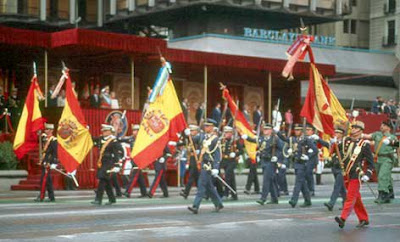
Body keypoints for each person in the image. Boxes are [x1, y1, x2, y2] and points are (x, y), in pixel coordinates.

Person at [335, 121, 374, 229]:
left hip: (356, 174)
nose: (353, 129)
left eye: (355, 127)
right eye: (352, 127)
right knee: (356, 197)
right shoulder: (346, 141)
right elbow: (338, 152)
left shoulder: (364, 144)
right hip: (346, 173)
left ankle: (343, 218)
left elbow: (371, 163)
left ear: (360, 130)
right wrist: (334, 142)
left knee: (350, 197)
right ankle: (364, 218)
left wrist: (368, 174)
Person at [187, 118, 223, 214]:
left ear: (212, 127)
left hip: (209, 165)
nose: (205, 127)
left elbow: (217, 154)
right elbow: (192, 140)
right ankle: (218, 203)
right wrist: (187, 134)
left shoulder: (215, 139)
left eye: (208, 126)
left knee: (201, 185)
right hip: (203, 163)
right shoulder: (202, 136)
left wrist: (216, 168)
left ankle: (196, 206)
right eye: (205, 126)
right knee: (209, 186)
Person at [277, 123, 318, 208]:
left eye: (298, 130)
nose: (296, 131)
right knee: (302, 183)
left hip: (303, 164)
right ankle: (307, 200)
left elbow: (315, 150)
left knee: (298, 182)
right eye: (295, 130)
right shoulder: (293, 140)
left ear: (302, 131)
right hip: (296, 163)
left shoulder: (306, 140)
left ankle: (294, 200)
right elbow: (284, 139)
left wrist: (308, 156)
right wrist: (277, 131)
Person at [242, 123, 283, 205]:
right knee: (270, 181)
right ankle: (274, 199)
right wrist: (247, 137)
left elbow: (282, 149)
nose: (265, 131)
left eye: (267, 129)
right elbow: (255, 140)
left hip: (271, 162)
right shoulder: (262, 138)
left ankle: (263, 198)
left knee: (266, 180)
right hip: (264, 161)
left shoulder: (275, 139)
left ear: (271, 130)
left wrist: (276, 157)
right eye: (264, 129)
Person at [362, 120, 397, 203]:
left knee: (382, 176)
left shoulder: (392, 137)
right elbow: (367, 136)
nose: (381, 126)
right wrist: (358, 132)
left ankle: (383, 194)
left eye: (384, 125)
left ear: (388, 128)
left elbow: (397, 145)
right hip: (378, 159)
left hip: (387, 159)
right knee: (384, 176)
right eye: (381, 124)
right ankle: (390, 192)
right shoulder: (377, 134)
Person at [91, 124, 124, 205]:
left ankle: (98, 199)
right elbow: (90, 139)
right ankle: (112, 199)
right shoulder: (101, 139)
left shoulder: (114, 141)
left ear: (111, 132)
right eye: (103, 131)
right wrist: (85, 131)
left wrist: (117, 165)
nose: (104, 132)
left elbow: (119, 153)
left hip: (110, 163)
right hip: (102, 162)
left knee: (102, 179)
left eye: (106, 131)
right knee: (106, 181)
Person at [323, 127, 347, 211]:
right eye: (335, 132)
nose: (336, 134)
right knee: (341, 187)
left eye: (338, 133)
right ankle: (346, 202)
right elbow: (329, 148)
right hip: (334, 166)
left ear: (341, 134)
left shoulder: (344, 142)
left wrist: (336, 143)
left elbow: (343, 151)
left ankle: (331, 203)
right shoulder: (334, 143)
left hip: (342, 167)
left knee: (337, 186)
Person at [34, 123, 58, 202]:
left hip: (48, 161)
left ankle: (41, 196)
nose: (46, 131)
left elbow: (55, 153)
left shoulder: (54, 140)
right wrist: (39, 134)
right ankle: (52, 197)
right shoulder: (44, 138)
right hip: (44, 160)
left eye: (47, 129)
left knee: (43, 179)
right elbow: (38, 141)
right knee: (48, 180)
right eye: (45, 129)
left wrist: (52, 162)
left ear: (51, 130)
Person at [123, 124, 147, 198]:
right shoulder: (131, 139)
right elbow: (122, 139)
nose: (134, 132)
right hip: (133, 159)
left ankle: (127, 192)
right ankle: (144, 193)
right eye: (133, 130)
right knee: (140, 178)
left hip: (139, 160)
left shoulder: (143, 140)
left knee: (133, 176)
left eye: (136, 130)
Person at [180, 125, 203, 199]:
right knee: (196, 178)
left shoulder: (199, 137)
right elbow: (185, 143)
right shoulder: (191, 138)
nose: (191, 132)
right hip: (192, 159)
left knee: (192, 177)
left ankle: (186, 192)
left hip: (198, 159)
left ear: (196, 131)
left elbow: (193, 140)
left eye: (192, 131)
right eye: (191, 131)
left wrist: (188, 135)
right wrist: (176, 144)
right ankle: (202, 192)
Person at [220, 126, 242, 201]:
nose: (227, 134)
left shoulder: (235, 141)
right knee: (231, 178)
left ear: (231, 133)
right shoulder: (221, 141)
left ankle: (226, 193)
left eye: (229, 132)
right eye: (226, 133)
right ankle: (234, 194)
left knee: (227, 176)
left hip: (232, 161)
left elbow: (241, 150)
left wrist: (235, 154)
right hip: (224, 160)